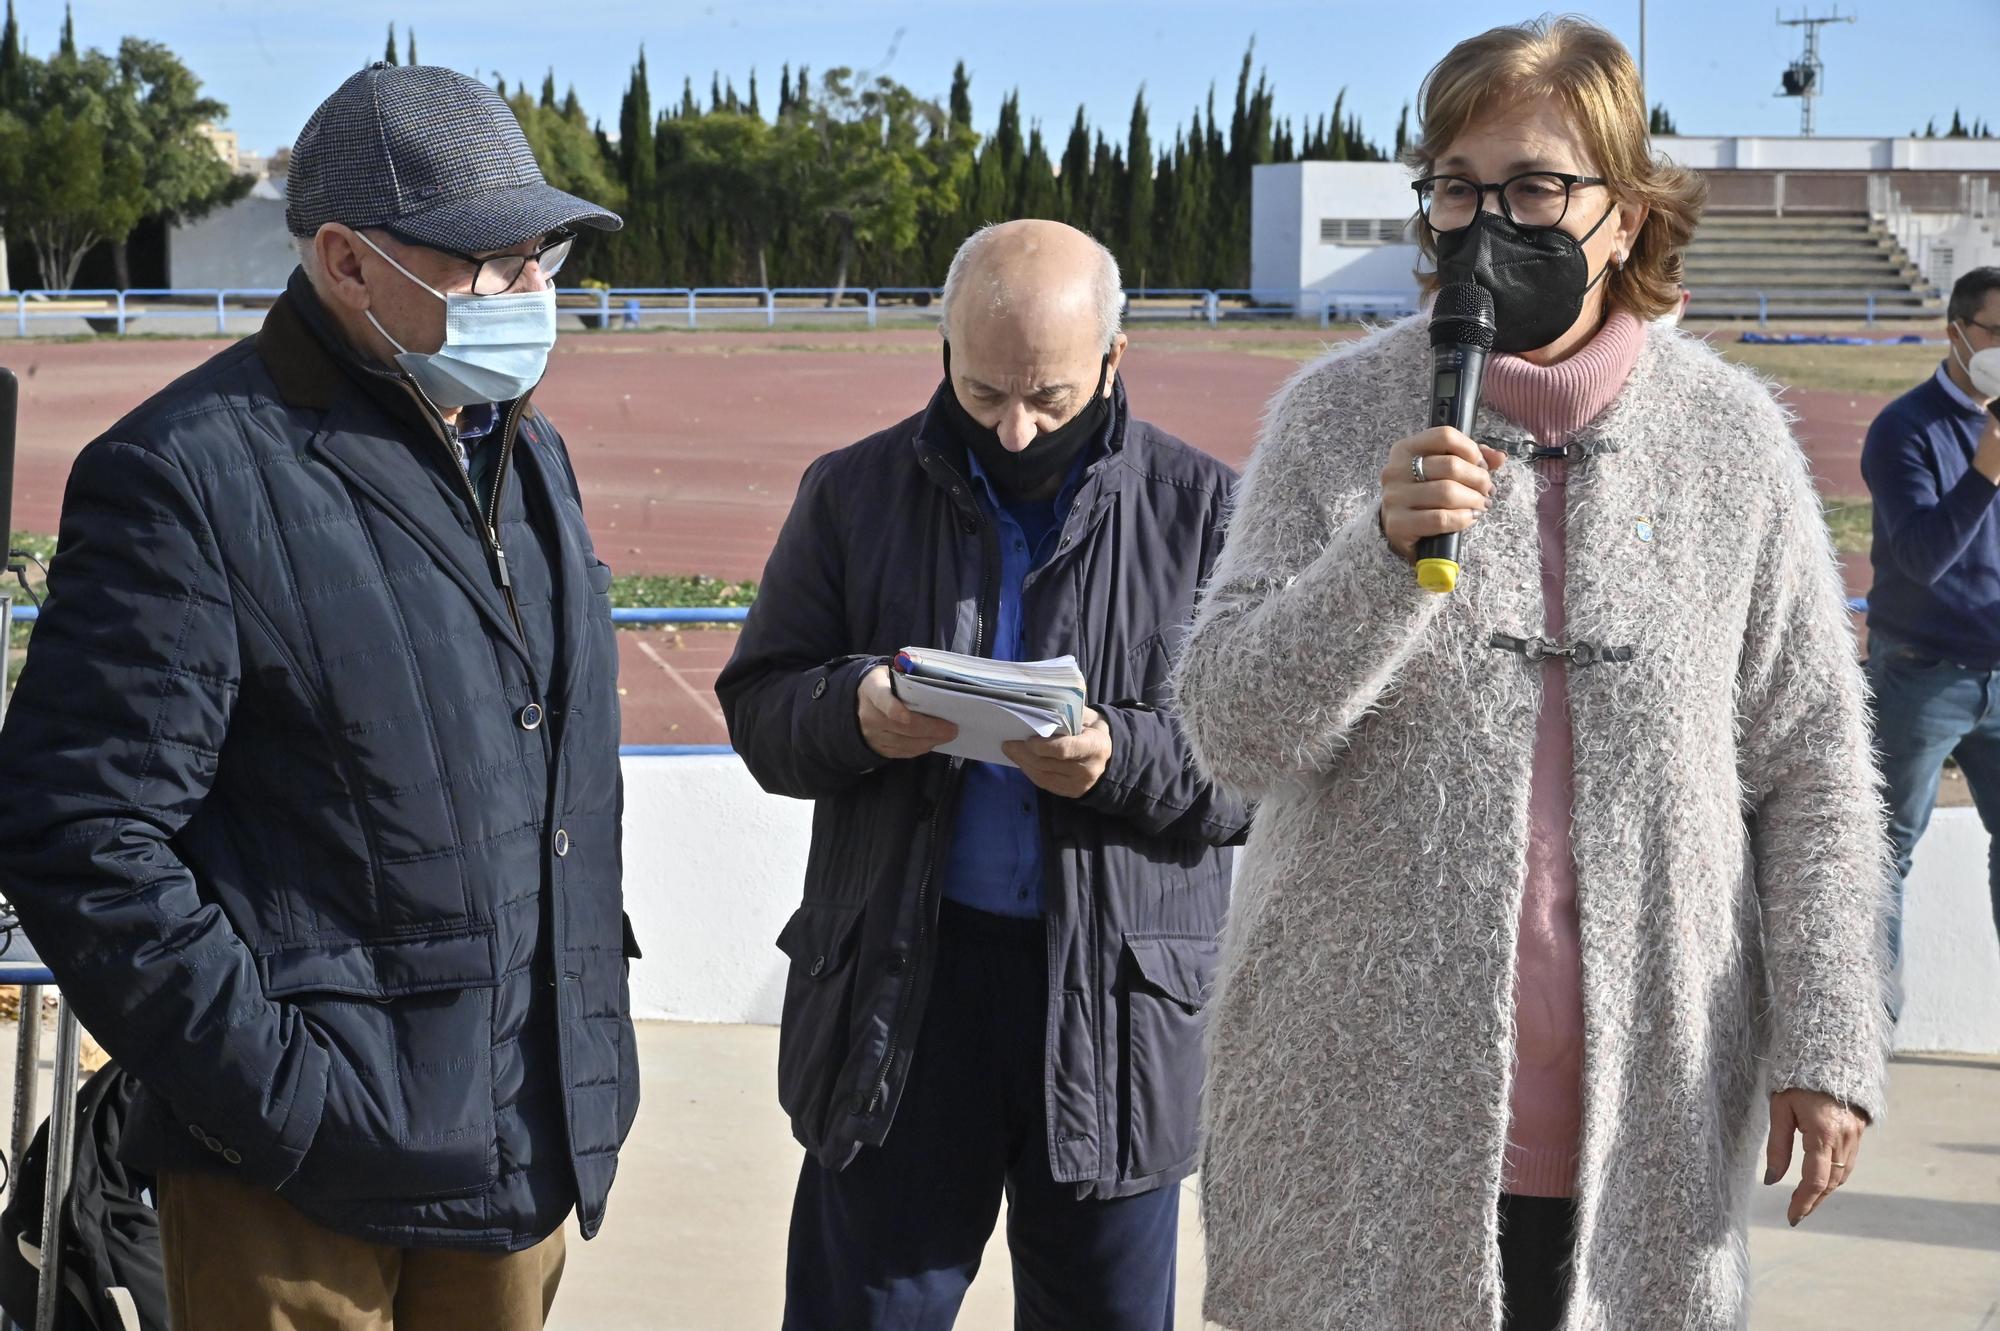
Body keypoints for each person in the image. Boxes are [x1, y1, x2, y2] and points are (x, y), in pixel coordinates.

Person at [1174, 18, 1888, 1331]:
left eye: (1538, 188)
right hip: (1359, 1111)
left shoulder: (1731, 443)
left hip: (1650, 1115)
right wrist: (1379, 557)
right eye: (1459, 185)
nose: (1491, 221)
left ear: (1626, 213)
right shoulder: (1337, 416)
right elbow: (1227, 726)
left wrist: (1827, 1037)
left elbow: (1815, 769)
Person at [0, 63, 637, 1330]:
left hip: (523, 1136)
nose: (533, 294)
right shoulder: (184, 475)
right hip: (297, 1187)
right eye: (489, 261)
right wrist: (288, 1098)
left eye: (543, 254)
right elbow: (80, 836)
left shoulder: (525, 447)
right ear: (347, 263)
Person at [716, 219, 1249, 1330]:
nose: (1013, 431)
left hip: (1116, 1005)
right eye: (984, 390)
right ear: (942, 348)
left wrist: (1119, 755)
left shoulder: (1210, 514)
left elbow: (1255, 766)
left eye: (1048, 398)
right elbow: (761, 708)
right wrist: (855, 710)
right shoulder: (849, 492)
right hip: (902, 994)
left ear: (1113, 358)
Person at [1861, 265, 2000, 982]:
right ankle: (1867, 1044)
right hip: (1921, 674)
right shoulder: (1903, 429)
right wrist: (1984, 473)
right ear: (1957, 332)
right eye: (1999, 333)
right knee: (1885, 851)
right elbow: (1918, 560)